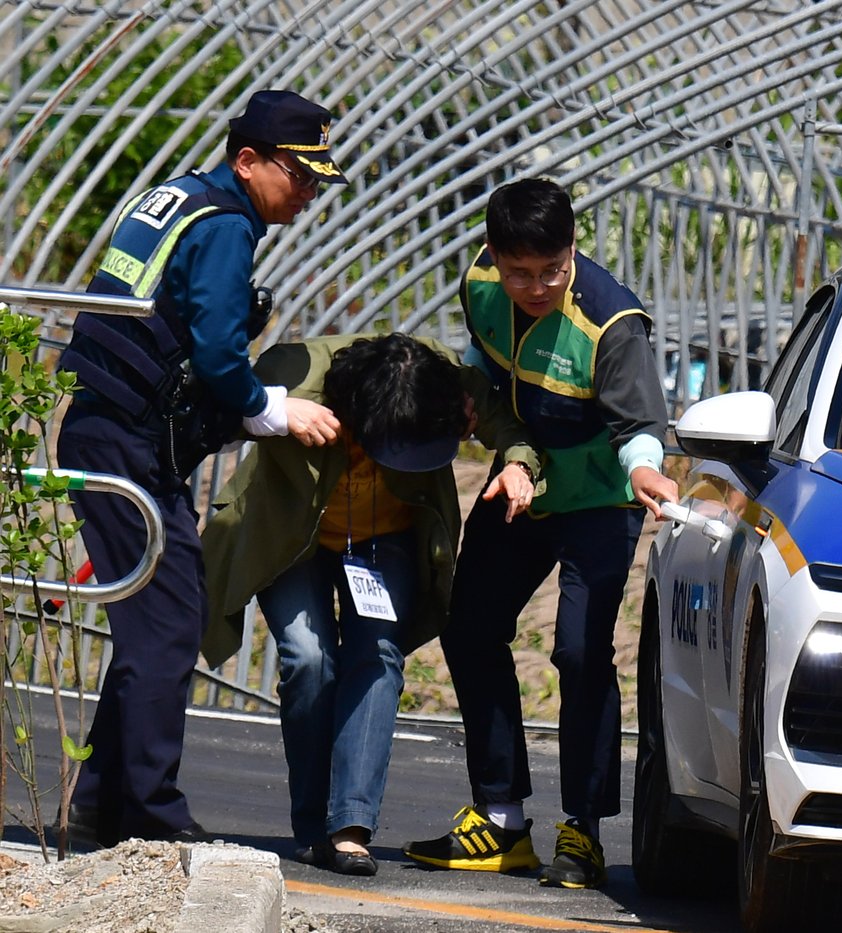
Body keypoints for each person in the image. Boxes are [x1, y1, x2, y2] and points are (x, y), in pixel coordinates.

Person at [55, 89, 347, 846]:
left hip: (110, 431)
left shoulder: (178, 196)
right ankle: (152, 815)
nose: (310, 193)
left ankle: (103, 798)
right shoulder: (223, 227)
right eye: (300, 175)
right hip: (125, 440)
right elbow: (217, 351)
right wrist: (273, 408)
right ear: (248, 161)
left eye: (319, 179)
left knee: (157, 619)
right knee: (172, 622)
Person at [403, 178, 679, 890]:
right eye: (519, 271)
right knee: (469, 629)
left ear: (573, 250)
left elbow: (640, 426)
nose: (535, 286)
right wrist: (499, 435)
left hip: (602, 497)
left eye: (550, 270)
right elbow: (490, 373)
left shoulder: (612, 323)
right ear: (493, 255)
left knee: (582, 652)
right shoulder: (481, 287)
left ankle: (582, 831)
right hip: (520, 482)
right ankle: (500, 819)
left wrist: (646, 471)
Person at [199, 333, 540, 876]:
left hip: (387, 540)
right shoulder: (294, 369)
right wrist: (274, 410)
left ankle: (351, 827)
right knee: (308, 658)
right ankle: (313, 826)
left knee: (377, 657)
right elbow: (214, 408)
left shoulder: (442, 377)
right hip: (292, 535)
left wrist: (519, 465)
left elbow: (510, 427)